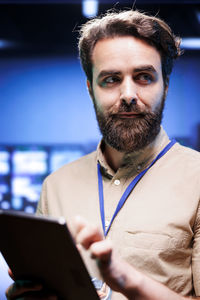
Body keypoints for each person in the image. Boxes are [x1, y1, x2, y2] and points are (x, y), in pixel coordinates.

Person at [6, 8, 200, 300]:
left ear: (166, 86)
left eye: (144, 77)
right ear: (90, 89)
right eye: (110, 79)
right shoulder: (56, 186)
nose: (128, 95)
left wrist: (127, 280)